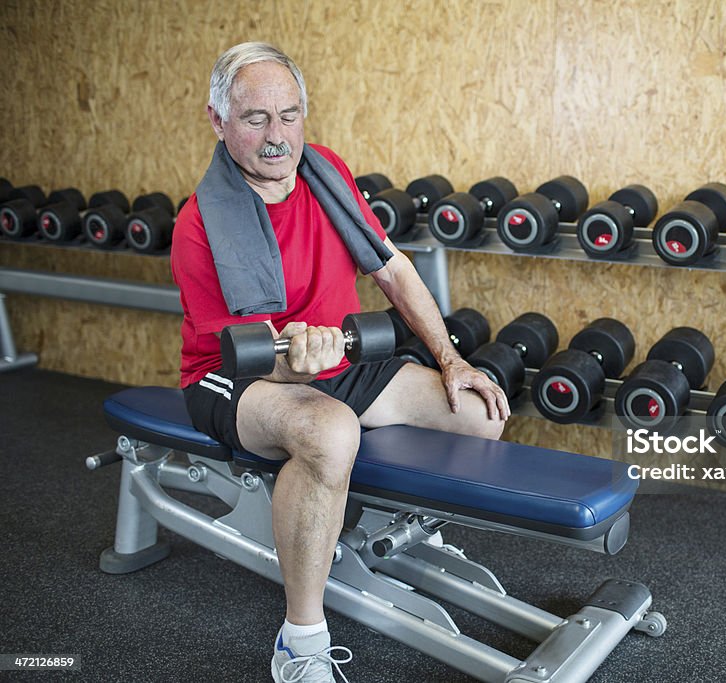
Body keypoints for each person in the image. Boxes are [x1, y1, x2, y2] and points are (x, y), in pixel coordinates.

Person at [170, 41, 509, 683]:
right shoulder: (199, 225)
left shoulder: (326, 172)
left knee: (478, 412)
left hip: (337, 360)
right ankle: (300, 639)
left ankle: (391, 528)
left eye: (290, 115)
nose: (278, 138)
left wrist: (452, 360)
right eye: (255, 119)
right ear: (217, 121)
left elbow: (391, 268)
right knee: (329, 430)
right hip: (235, 375)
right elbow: (242, 356)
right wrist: (301, 362)